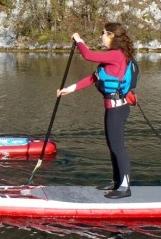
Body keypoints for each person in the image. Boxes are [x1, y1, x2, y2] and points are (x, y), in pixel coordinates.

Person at [57, 22, 136, 199]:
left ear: (112, 36)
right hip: (113, 109)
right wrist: (69, 89)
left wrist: (78, 40)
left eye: (103, 33)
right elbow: (93, 78)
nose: (100, 36)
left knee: (118, 148)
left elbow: (88, 55)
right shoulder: (111, 57)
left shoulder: (116, 55)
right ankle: (117, 182)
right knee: (113, 147)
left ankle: (125, 187)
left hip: (117, 109)